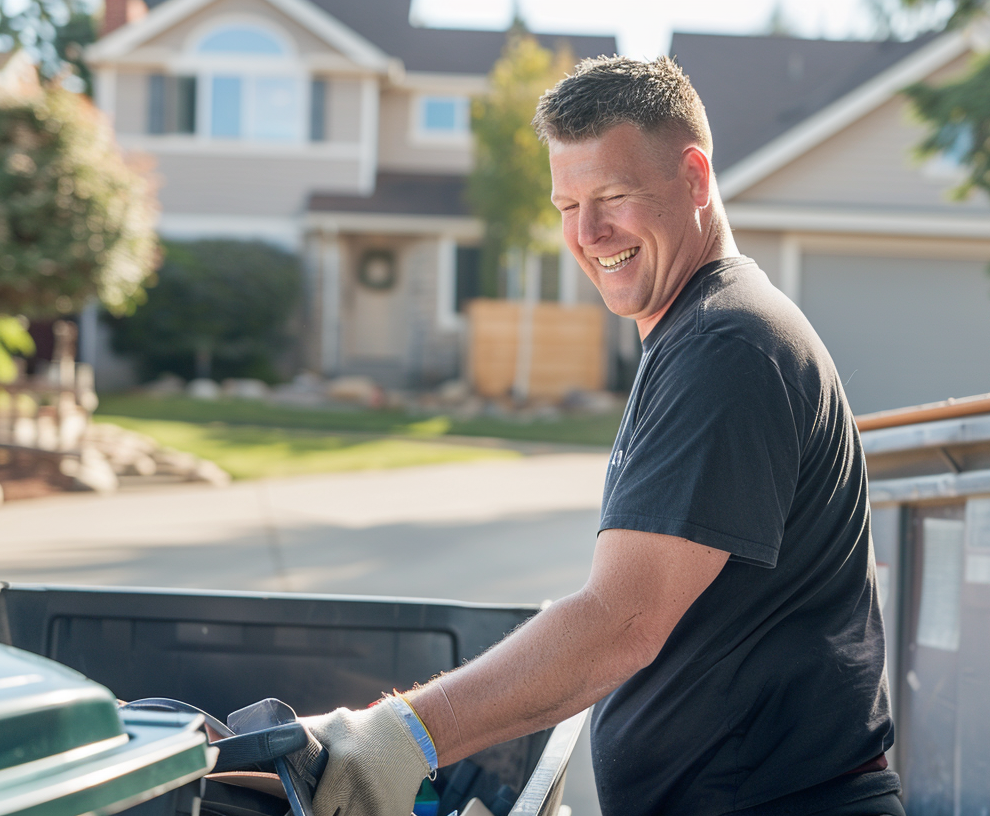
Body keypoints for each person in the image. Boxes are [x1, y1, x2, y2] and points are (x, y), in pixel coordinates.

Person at [295, 56, 901, 816]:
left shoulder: (729, 345)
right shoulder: (693, 335)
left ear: (694, 177)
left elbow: (622, 621)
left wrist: (401, 736)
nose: (588, 233)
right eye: (567, 203)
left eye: (612, 196)